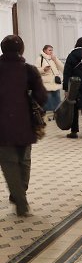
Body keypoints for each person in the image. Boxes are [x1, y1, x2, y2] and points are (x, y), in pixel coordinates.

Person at [0, 35, 47, 216]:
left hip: (2, 125)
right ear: (21, 49)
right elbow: (41, 97)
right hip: (24, 122)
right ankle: (20, 194)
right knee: (24, 159)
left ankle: (19, 198)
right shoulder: (29, 70)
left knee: (9, 162)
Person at [36, 45, 64, 116]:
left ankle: (57, 116)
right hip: (47, 85)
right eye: (49, 50)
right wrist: (43, 69)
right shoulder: (39, 59)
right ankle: (43, 117)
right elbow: (36, 70)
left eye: (52, 50)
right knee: (46, 103)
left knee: (57, 103)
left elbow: (62, 68)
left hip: (55, 83)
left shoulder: (53, 58)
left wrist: (55, 60)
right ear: (45, 50)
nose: (51, 52)